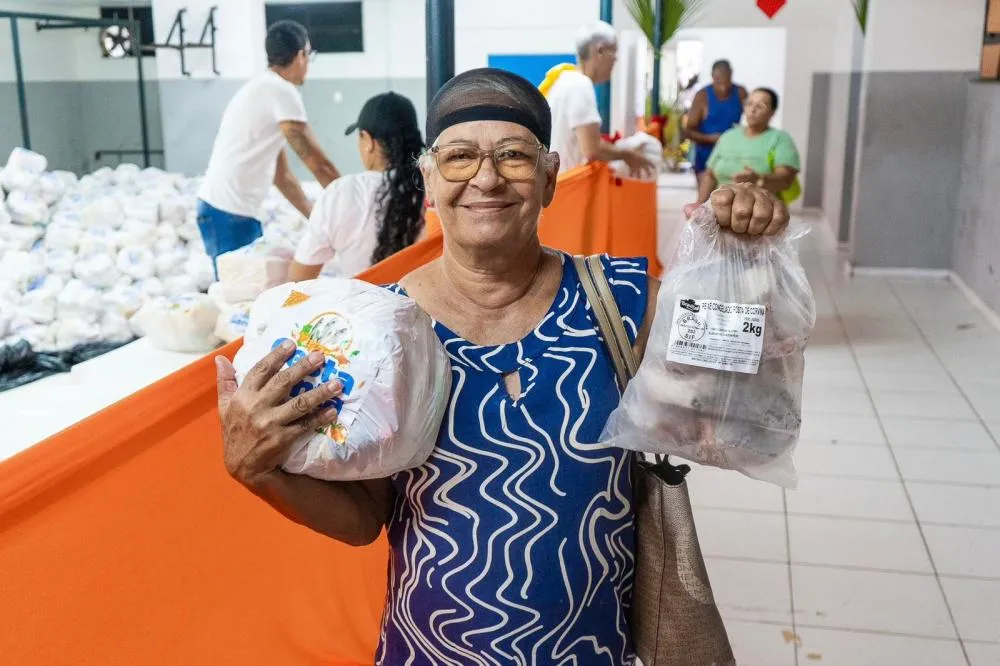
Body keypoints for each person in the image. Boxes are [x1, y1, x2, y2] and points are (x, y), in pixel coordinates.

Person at [215, 68, 788, 665]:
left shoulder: (620, 300)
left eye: (513, 156)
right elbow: (366, 517)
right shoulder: (382, 328)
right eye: (459, 157)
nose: (485, 178)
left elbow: (736, 410)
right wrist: (260, 471)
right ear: (429, 180)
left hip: (588, 652)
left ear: (548, 179)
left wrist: (740, 262)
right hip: (428, 652)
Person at [197, 20, 341, 269]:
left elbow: (282, 175)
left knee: (249, 291)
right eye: (309, 55)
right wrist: (347, 201)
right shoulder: (282, 91)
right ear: (300, 55)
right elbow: (316, 163)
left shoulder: (263, 88)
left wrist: (313, 215)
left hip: (224, 209)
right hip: (229, 212)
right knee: (239, 294)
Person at [287, 92, 425, 281]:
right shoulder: (431, 190)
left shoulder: (341, 193)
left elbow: (298, 282)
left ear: (367, 141)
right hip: (424, 306)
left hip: (360, 307)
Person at [542, 21, 655, 176]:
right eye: (614, 51)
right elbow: (592, 149)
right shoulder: (580, 86)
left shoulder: (564, 80)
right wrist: (628, 155)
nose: (616, 59)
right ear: (600, 51)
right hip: (565, 187)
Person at [685, 87, 800, 217]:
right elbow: (710, 175)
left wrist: (758, 180)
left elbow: (785, 179)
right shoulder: (728, 136)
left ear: (772, 112)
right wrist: (700, 205)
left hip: (761, 214)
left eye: (760, 106)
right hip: (720, 211)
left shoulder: (779, 139)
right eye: (749, 104)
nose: (753, 109)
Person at [685, 59, 747, 181]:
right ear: (712, 77)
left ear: (731, 75)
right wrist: (710, 139)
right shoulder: (702, 96)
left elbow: (750, 121)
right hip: (706, 155)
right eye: (719, 82)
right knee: (707, 197)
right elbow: (688, 131)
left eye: (727, 81)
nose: (723, 87)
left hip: (733, 155)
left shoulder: (740, 92)